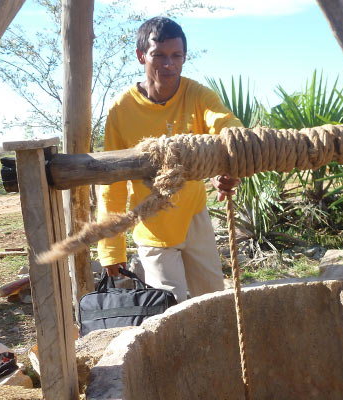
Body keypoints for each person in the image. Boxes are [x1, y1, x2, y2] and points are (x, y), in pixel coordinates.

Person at [97, 16, 242, 302]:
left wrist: (232, 156)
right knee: (169, 307)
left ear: (185, 56)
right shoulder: (121, 110)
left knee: (214, 298)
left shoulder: (197, 95)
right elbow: (111, 185)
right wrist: (111, 249)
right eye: (158, 55)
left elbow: (225, 123)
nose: (168, 64)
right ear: (141, 56)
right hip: (153, 226)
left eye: (176, 56)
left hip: (194, 216)